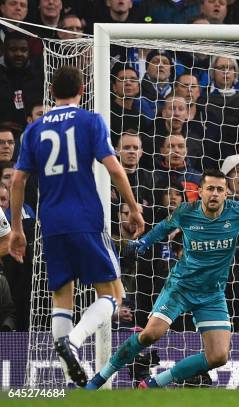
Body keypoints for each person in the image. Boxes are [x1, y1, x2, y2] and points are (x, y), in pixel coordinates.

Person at [85, 168, 239, 389]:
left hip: (212, 294)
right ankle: (100, 378)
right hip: (181, 287)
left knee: (219, 356)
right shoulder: (186, 212)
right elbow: (163, 228)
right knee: (151, 334)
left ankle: (154, 382)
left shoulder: (238, 211)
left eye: (220, 189)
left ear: (226, 194)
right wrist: (143, 243)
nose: (215, 194)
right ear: (200, 191)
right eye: (210, 188)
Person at [9, 66, 145, 386]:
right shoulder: (90, 121)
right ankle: (73, 341)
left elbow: (17, 181)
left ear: (51, 92)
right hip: (85, 218)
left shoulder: (34, 129)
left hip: (51, 223)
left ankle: (69, 378)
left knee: (61, 295)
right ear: (82, 89)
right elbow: (114, 168)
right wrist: (134, 207)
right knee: (113, 295)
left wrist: (16, 228)